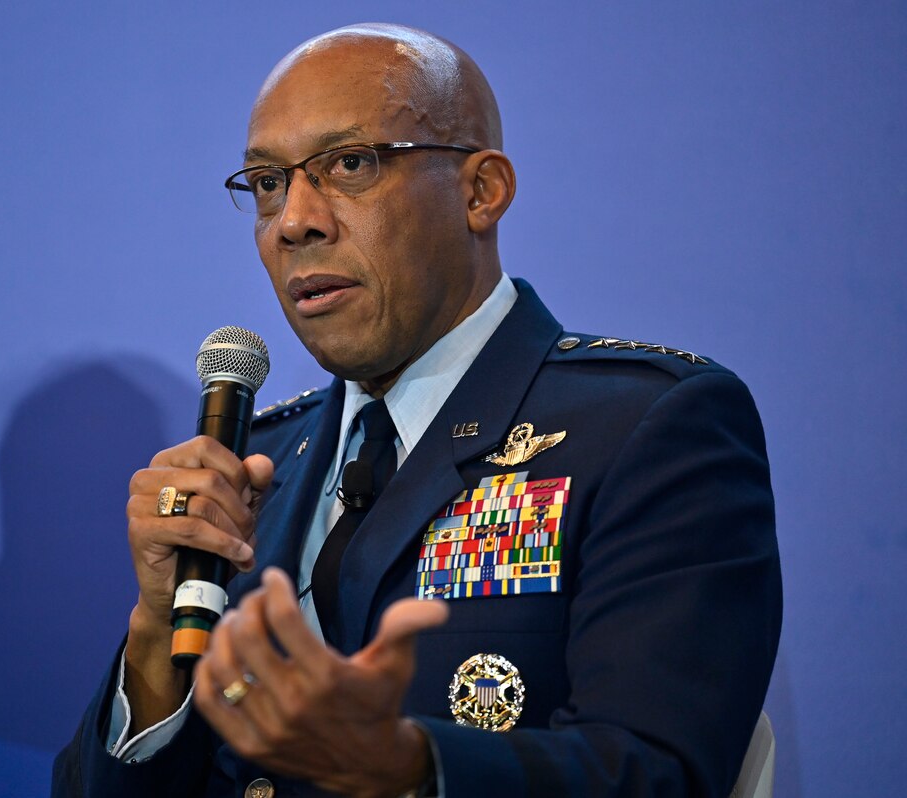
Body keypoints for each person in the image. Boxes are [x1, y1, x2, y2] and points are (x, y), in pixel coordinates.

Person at [53, 22, 781, 798]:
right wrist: (158, 633)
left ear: (481, 191)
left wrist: (406, 770)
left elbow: (657, 772)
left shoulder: (643, 428)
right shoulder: (256, 465)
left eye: (350, 164)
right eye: (268, 183)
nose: (295, 220)